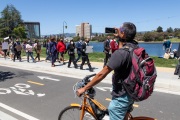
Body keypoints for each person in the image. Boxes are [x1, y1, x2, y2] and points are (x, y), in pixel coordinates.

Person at [77, 22, 137, 120]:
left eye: (120, 29)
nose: (118, 30)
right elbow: (122, 53)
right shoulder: (134, 47)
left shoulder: (120, 53)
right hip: (132, 91)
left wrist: (85, 88)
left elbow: (101, 74)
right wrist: (120, 36)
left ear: (123, 34)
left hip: (121, 96)